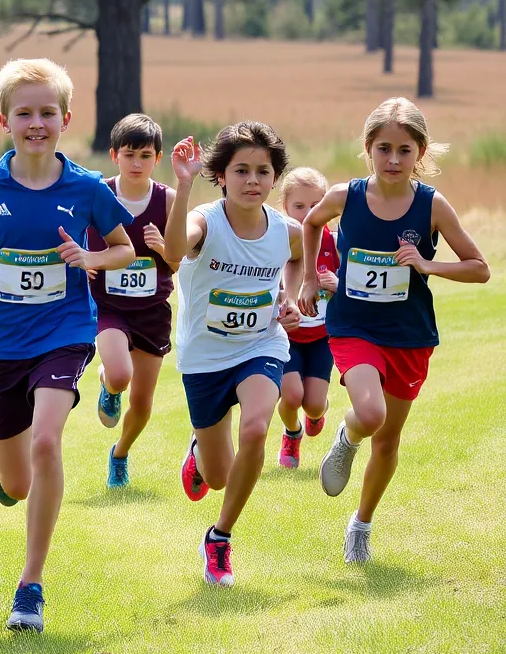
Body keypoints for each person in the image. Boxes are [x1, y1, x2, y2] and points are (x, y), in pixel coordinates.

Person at [0, 58, 134, 632]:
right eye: (24, 113)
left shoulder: (87, 188)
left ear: (66, 118)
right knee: (17, 483)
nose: (37, 123)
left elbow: (123, 248)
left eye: (48, 112)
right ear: (5, 121)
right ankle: (6, 467)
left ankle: (31, 585)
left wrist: (90, 257)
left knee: (47, 440)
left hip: (64, 332)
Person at [300, 98, 489, 563]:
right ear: (368, 148)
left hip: (409, 335)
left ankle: (360, 525)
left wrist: (427, 264)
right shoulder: (345, 197)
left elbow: (479, 267)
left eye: (405, 150)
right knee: (370, 413)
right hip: (354, 327)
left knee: (386, 441)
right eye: (383, 148)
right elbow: (310, 222)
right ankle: (347, 436)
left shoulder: (431, 205)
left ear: (420, 152)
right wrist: (308, 278)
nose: (393, 159)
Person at [163, 122, 303, 588]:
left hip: (261, 345)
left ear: (275, 178)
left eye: (263, 171)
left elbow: (300, 253)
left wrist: (289, 296)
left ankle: (219, 537)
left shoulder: (285, 230)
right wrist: (183, 185)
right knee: (219, 476)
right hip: (204, 357)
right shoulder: (206, 221)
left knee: (256, 428)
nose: (252, 180)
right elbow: (173, 250)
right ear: (221, 176)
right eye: (241, 170)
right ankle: (200, 451)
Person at [87, 114, 178, 488]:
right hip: (108, 306)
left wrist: (164, 249)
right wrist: (85, 262)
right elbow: (76, 237)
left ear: (158, 158)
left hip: (152, 310)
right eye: (129, 155)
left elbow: (180, 263)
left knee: (141, 405)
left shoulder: (168, 200)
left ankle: (120, 454)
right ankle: (109, 385)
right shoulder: (98, 194)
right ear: (114, 156)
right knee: (120, 374)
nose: (137, 163)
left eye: (145, 155)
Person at [275, 167, 337, 468]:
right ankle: (292, 432)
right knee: (291, 396)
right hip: (286, 337)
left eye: (316, 205)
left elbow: (355, 287)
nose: (308, 213)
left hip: (322, 338)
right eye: (299, 206)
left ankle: (315, 412)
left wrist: (337, 285)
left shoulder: (337, 243)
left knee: (313, 404)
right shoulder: (276, 243)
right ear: (285, 208)